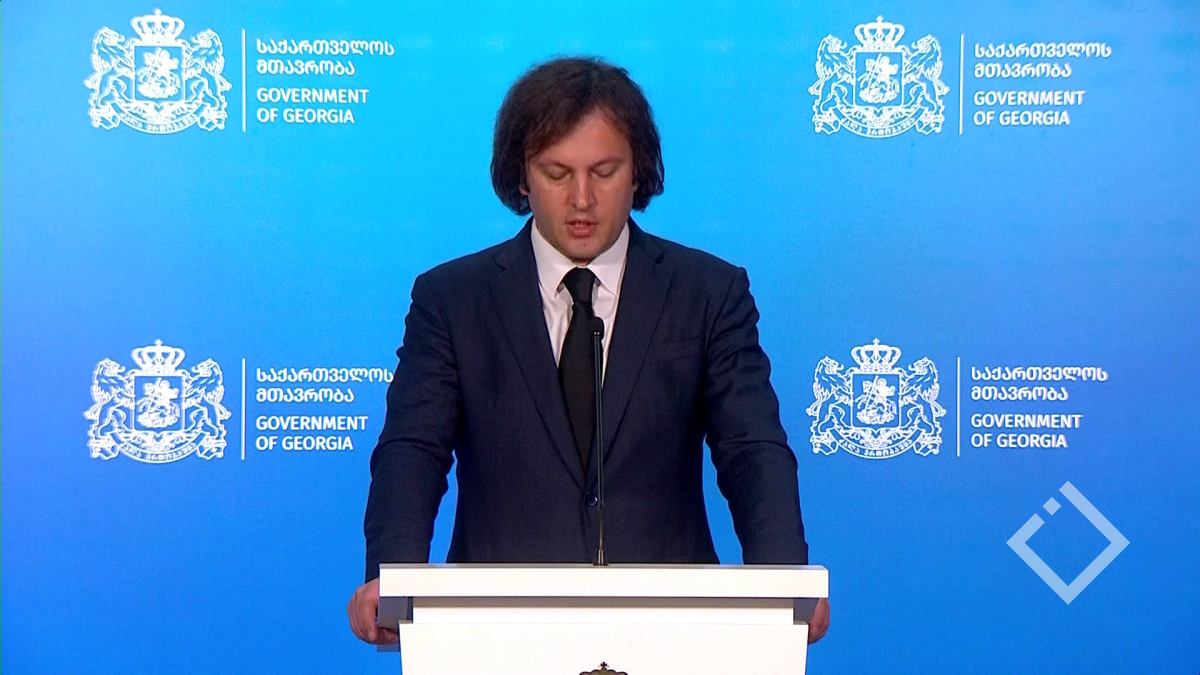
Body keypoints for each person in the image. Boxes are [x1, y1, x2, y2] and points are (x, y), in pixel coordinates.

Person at [347, 56, 830, 646]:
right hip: (494, 630)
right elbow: (413, 451)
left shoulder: (708, 293)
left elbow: (751, 449)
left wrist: (783, 581)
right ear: (522, 177)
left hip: (672, 631)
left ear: (638, 173)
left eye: (604, 171)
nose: (582, 198)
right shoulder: (452, 300)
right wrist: (391, 576)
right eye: (557, 173)